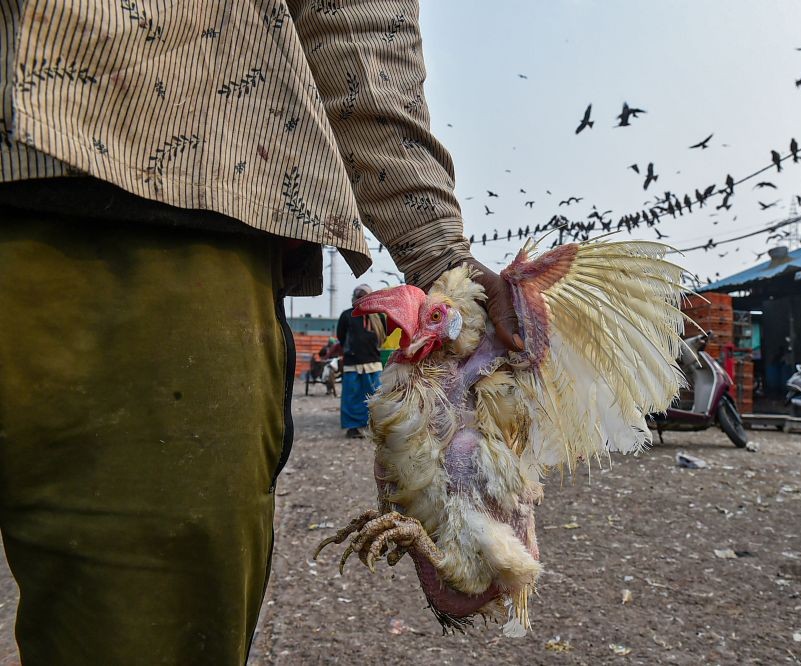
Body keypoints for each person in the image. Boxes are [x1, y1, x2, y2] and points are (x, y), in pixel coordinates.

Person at [0, 3, 521, 663]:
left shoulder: (368, 329)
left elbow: (354, 21)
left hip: (160, 205)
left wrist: (440, 252)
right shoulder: (359, 323)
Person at [337, 285, 386, 438]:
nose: (360, 299)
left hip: (373, 362)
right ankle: (353, 428)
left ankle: (376, 426)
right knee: (352, 396)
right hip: (353, 363)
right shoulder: (347, 315)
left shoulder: (378, 317)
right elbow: (341, 336)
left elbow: (384, 336)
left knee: (375, 397)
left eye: (363, 295)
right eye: (358, 295)